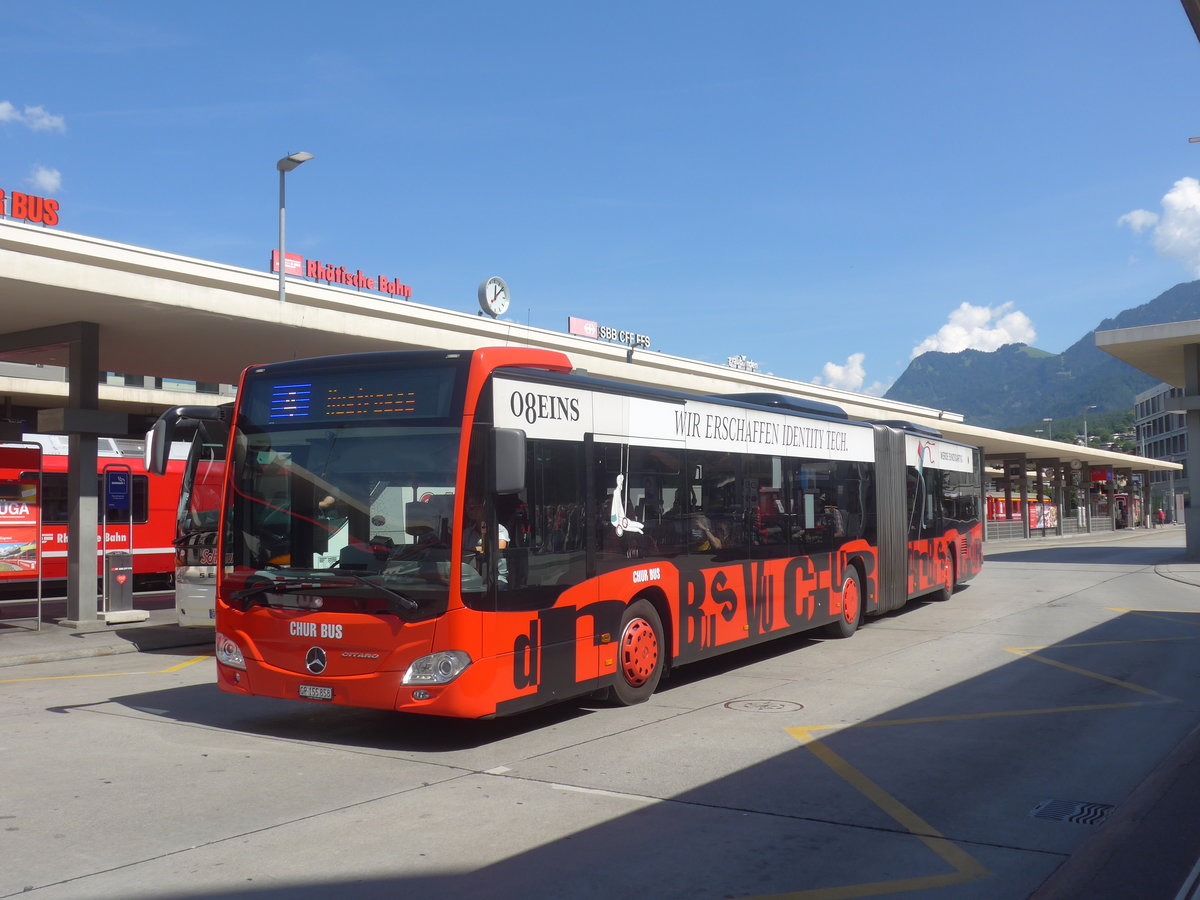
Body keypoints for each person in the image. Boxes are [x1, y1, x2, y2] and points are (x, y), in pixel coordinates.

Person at [463, 496, 509, 585]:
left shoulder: (499, 530)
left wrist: (472, 550)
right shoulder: (467, 533)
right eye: (466, 507)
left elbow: (496, 549)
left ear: (483, 507)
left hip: (496, 579)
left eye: (472, 507)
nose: (468, 511)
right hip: (470, 577)